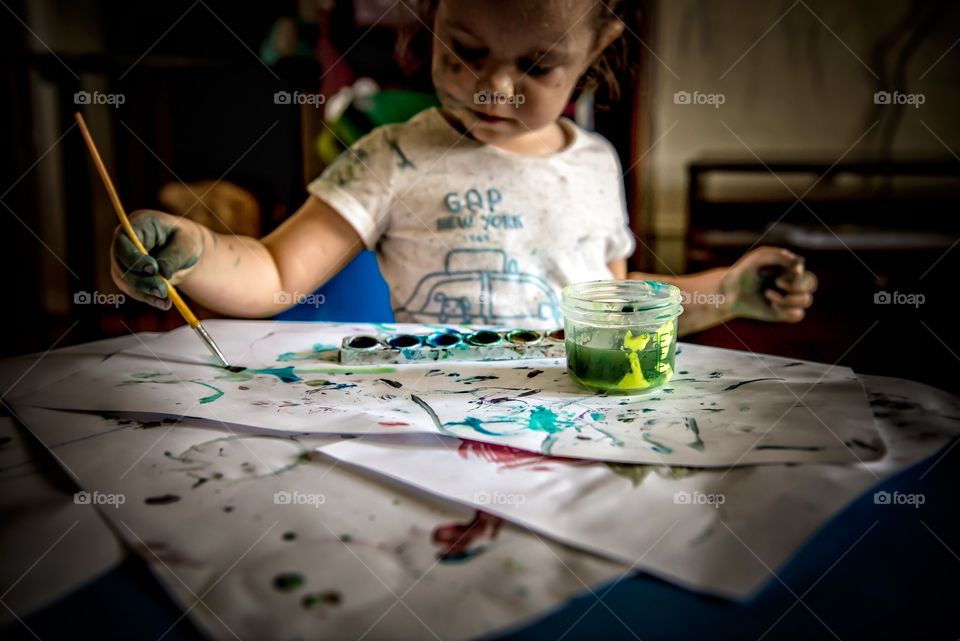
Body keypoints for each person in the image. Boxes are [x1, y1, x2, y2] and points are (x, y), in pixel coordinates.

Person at [111, 0, 817, 334]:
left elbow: (617, 306)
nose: (493, 88)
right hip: (431, 421)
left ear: (599, 49)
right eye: (467, 52)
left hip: (570, 424)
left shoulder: (597, 165)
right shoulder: (391, 155)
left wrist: (728, 291)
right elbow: (271, 275)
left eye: (537, 65)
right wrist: (192, 252)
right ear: (431, 20)